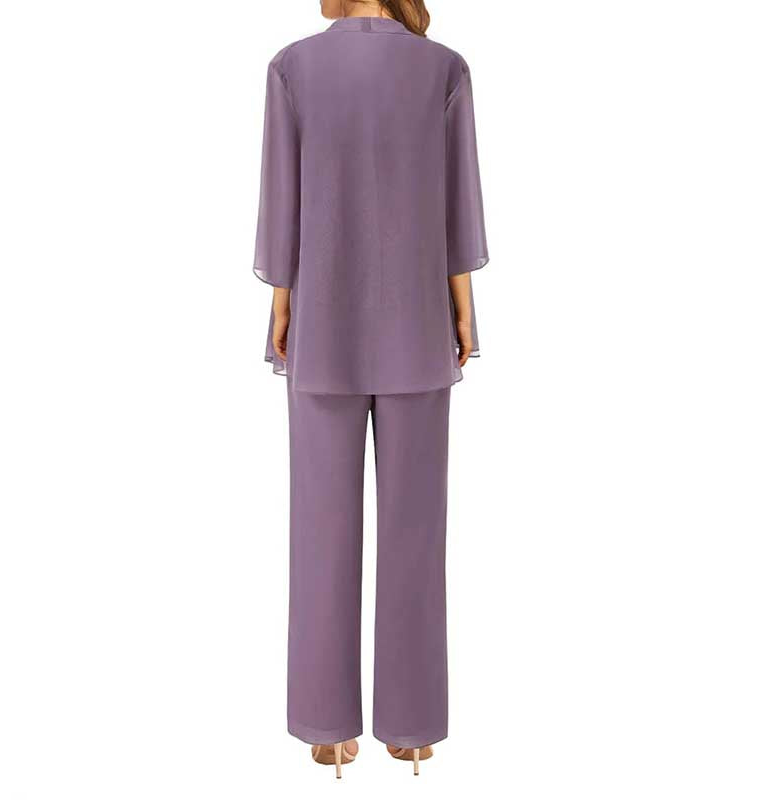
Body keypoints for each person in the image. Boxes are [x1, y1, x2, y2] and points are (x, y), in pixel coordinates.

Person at [252, 0, 488, 778]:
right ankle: (411, 729)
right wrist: (463, 308)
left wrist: (282, 302)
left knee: (319, 531)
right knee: (417, 536)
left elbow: (281, 202)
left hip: (323, 322)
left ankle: (328, 729)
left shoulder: (293, 67)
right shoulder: (443, 69)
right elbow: (459, 205)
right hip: (418, 321)